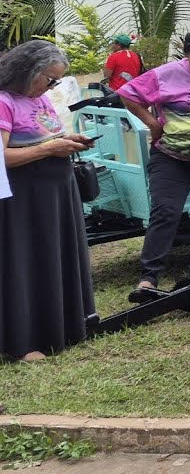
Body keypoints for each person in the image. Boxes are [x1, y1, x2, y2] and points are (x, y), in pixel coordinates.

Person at [117, 29, 190, 295]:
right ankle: (149, 277)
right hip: (172, 158)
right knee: (166, 212)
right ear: (186, 57)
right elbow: (128, 93)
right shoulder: (166, 74)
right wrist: (151, 123)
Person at [0, 41, 97, 361]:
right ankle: (23, 342)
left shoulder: (39, 98)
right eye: (49, 79)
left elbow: (44, 136)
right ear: (27, 72)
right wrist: (48, 150)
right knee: (27, 264)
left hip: (57, 195)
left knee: (55, 259)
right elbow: (2, 157)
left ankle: (65, 327)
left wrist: (66, 141)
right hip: (24, 200)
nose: (52, 86)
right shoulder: (4, 102)